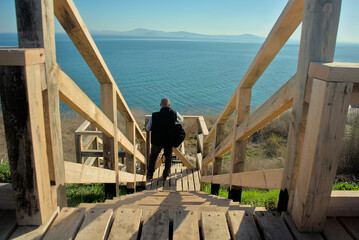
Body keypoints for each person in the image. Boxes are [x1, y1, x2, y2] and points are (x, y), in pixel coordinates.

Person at [146, 97, 183, 181]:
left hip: (157, 140)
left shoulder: (154, 115)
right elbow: (181, 120)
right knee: (168, 157)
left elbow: (148, 128)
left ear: (160, 105)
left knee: (153, 156)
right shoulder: (174, 113)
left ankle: (150, 174)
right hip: (168, 140)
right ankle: (165, 175)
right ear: (169, 105)